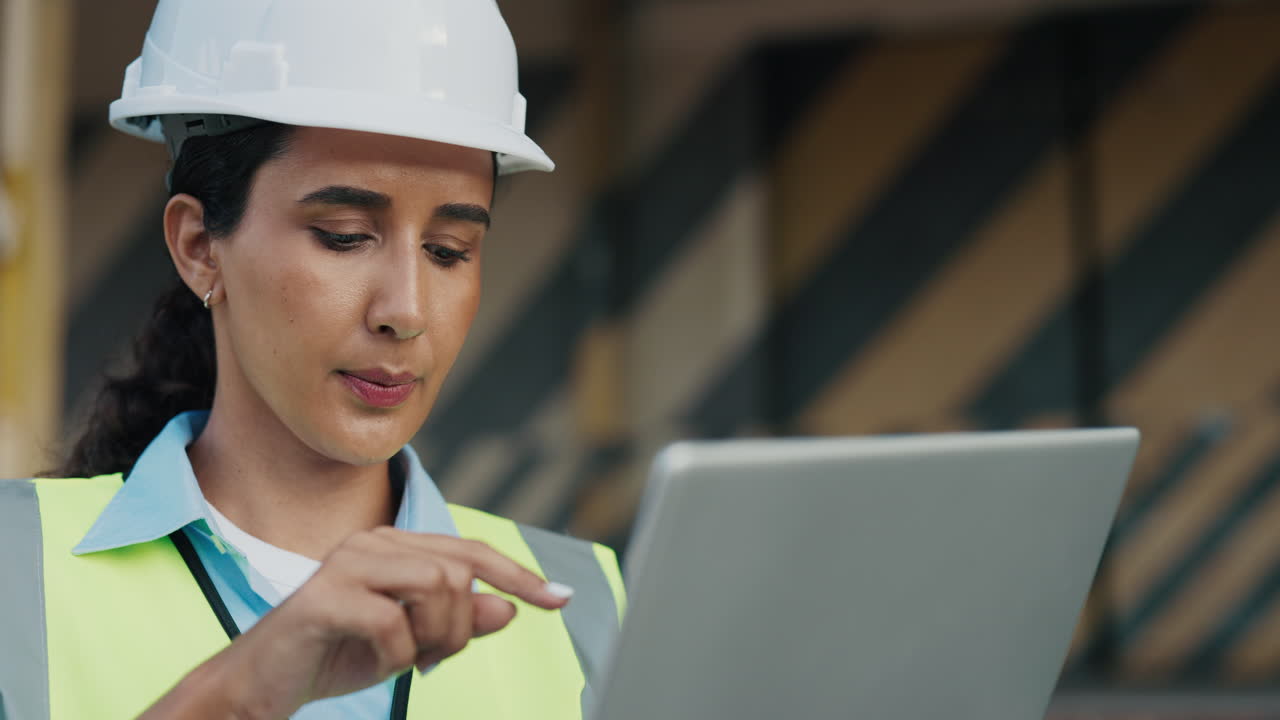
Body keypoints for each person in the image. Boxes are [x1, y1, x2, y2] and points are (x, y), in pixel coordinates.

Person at [0, 2, 625, 719]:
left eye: (449, 250)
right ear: (200, 247)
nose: (407, 310)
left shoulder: (585, 606)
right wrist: (230, 695)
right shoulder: (12, 568)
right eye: (345, 235)